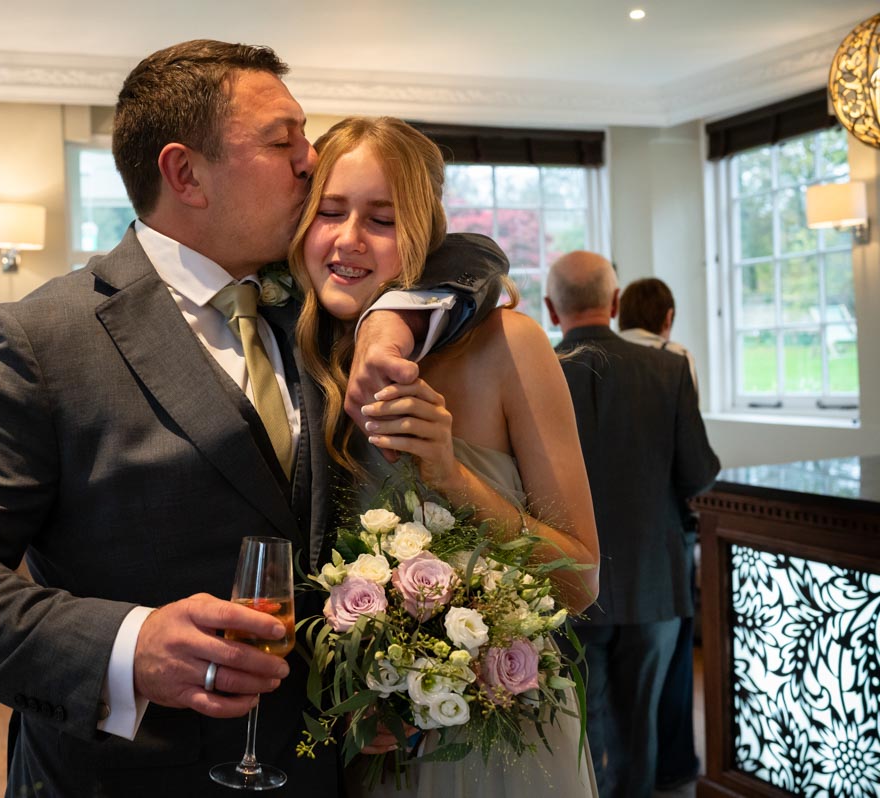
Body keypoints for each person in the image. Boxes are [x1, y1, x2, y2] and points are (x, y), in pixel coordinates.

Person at [0, 41, 490, 797]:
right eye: (283, 139)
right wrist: (128, 646)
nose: (311, 159)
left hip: (328, 770)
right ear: (185, 173)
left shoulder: (317, 307)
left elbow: (467, 252)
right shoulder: (41, 339)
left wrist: (394, 318)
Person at [288, 115, 601, 797]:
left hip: (501, 735)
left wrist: (449, 474)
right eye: (330, 212)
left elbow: (581, 580)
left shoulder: (509, 346)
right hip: (367, 746)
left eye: (382, 219)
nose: (348, 239)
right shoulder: (299, 355)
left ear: (425, 236)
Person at [546, 252, 720, 798]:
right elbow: (698, 473)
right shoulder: (668, 369)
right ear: (616, 304)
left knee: (578, 727)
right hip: (654, 579)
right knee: (639, 723)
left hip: (564, 581)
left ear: (552, 309)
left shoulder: (536, 374)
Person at [618, 276, 702, 790]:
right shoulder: (674, 358)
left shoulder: (588, 357)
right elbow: (690, 456)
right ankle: (671, 769)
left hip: (609, 529)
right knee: (668, 661)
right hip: (659, 528)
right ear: (667, 317)